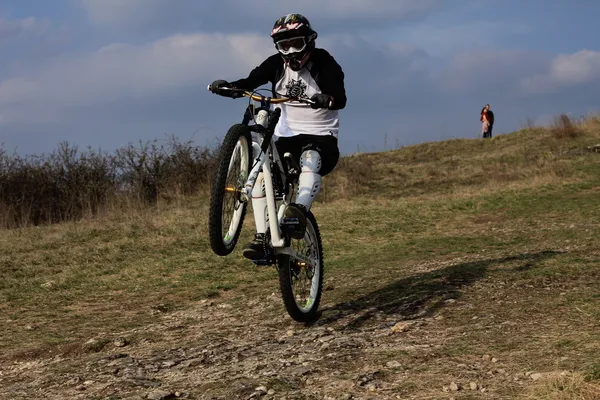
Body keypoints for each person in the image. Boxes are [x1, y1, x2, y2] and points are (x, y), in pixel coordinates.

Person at [209, 13, 346, 261]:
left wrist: (329, 98)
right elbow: (251, 81)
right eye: (284, 46)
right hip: (285, 137)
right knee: (262, 174)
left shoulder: (324, 62)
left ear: (309, 41)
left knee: (310, 158)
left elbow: (339, 95)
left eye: (296, 43)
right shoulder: (275, 64)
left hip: (320, 137)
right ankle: (262, 237)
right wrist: (230, 87)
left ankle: (299, 212)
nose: (291, 51)